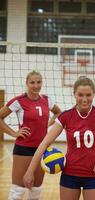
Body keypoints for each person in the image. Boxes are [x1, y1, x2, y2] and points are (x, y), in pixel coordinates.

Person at [23, 76, 95, 200]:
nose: (84, 99)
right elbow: (44, 143)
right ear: (74, 94)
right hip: (69, 175)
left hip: (93, 175)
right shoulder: (66, 116)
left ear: (94, 94)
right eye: (80, 95)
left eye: (88, 95)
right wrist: (30, 171)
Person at [0, 70, 61, 200]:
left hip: (42, 149)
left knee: (36, 190)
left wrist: (47, 124)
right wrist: (13, 133)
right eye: (32, 82)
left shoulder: (47, 100)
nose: (36, 85)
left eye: (38, 82)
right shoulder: (19, 101)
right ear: (26, 83)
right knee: (18, 190)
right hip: (24, 148)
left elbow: (58, 113)